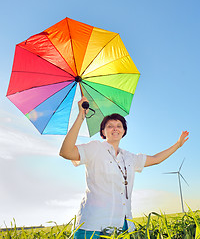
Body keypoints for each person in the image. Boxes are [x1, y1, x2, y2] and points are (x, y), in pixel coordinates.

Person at [59, 97, 189, 239]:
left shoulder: (129, 157)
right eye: (110, 126)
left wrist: (177, 144)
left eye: (119, 125)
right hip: (92, 225)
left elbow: (156, 159)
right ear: (103, 131)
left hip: (122, 226)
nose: (115, 128)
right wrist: (81, 117)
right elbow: (66, 152)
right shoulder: (95, 147)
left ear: (124, 131)